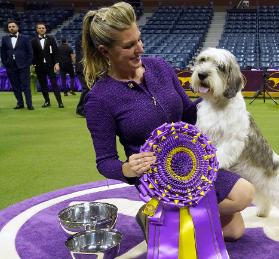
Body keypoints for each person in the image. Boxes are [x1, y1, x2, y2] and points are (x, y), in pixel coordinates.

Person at [82, 2, 254, 241]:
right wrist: (127, 169)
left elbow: (188, 114)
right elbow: (105, 161)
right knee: (243, 195)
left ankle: (164, 218)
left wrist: (218, 102)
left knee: (235, 231)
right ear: (104, 51)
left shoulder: (160, 66)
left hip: (192, 163)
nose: (139, 49)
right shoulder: (99, 99)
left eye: (139, 40)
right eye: (129, 45)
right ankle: (159, 210)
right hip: (156, 177)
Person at [0, 20, 34, 110]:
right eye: (9, 27)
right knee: (15, 86)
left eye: (13, 26)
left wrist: (28, 64)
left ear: (17, 27)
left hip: (23, 66)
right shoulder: (4, 39)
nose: (11, 28)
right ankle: (20, 103)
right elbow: (2, 53)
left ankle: (29, 105)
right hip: (10, 66)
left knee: (26, 86)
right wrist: (5, 63)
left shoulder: (25, 38)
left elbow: (30, 52)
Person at [31, 22, 64, 108]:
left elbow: (56, 52)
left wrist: (57, 63)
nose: (41, 29)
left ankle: (60, 102)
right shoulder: (33, 41)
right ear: (37, 30)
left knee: (54, 84)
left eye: (43, 28)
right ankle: (47, 101)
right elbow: (32, 54)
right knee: (43, 85)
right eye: (39, 28)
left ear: (45, 29)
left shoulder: (51, 39)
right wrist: (34, 65)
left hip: (51, 65)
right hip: (39, 67)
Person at [74, 36, 89, 117]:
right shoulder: (81, 38)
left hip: (85, 67)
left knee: (89, 88)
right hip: (83, 68)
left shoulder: (82, 38)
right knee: (86, 88)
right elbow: (81, 54)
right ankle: (80, 109)